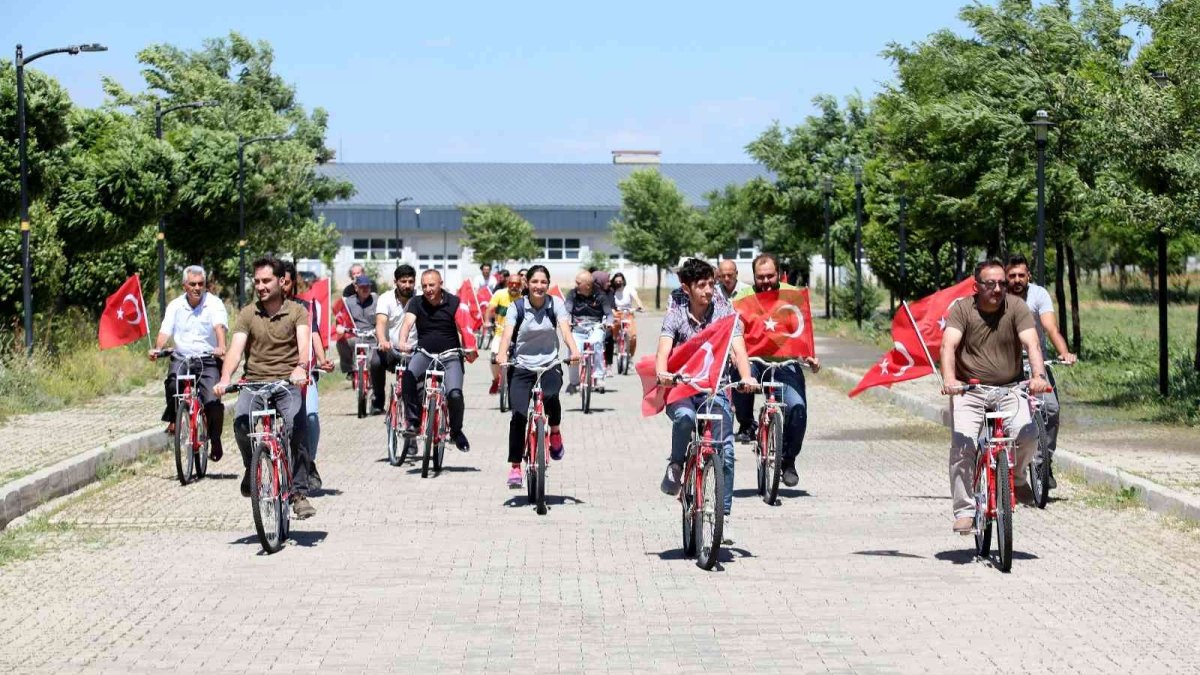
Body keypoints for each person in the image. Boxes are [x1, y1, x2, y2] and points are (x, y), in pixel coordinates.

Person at [941, 259, 1051, 534]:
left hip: (1010, 388)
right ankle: (965, 510)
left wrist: (1038, 376)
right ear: (977, 286)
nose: (998, 288)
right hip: (969, 390)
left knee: (1028, 435)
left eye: (1002, 283)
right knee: (963, 445)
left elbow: (1032, 342)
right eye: (991, 284)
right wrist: (950, 380)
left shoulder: (1016, 307)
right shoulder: (962, 309)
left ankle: (1014, 477)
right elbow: (948, 345)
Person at [656, 258, 756, 543]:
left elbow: (739, 348)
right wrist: (663, 373)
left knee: (726, 450)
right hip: (682, 387)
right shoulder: (676, 313)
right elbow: (664, 349)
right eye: (702, 285)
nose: (709, 290)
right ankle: (676, 464)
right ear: (687, 289)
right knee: (685, 418)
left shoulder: (725, 311)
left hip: (715, 389)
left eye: (711, 284)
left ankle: (720, 517)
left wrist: (746, 376)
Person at [215, 257, 316, 519]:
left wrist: (301, 367)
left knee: (296, 425)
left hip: (286, 382)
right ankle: (252, 467)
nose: (260, 286)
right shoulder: (248, 313)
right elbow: (235, 350)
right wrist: (226, 377)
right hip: (255, 382)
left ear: (282, 281)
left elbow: (304, 345)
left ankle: (299, 493)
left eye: (266, 280)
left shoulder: (297, 312)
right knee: (240, 422)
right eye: (257, 281)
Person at [731, 254, 821, 488]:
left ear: (779, 273)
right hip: (754, 360)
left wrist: (809, 354)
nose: (766, 281)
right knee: (739, 377)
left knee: (797, 408)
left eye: (770, 276)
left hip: (784, 363)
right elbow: (735, 330)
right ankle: (747, 423)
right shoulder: (743, 297)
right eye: (760, 277)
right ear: (754, 277)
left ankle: (788, 460)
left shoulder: (792, 296)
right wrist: (734, 353)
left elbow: (801, 331)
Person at [495, 265, 582, 488]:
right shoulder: (517, 307)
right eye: (535, 282)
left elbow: (565, 331)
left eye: (544, 282)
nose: (539, 286)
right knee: (519, 416)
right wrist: (502, 353)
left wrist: (573, 351)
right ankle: (515, 466)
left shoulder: (556, 305)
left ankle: (554, 431)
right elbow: (506, 335)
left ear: (548, 284)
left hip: (549, 364)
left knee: (551, 394)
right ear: (528, 284)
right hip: (522, 366)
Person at [1006, 254, 1077, 490]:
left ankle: (1043, 463)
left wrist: (1064, 352)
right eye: (1012, 275)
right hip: (1007, 365)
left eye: (1021, 275)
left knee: (1050, 408)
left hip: (1037, 363)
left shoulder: (1039, 294)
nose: (1017, 280)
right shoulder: (999, 297)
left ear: (1029, 276)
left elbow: (1050, 327)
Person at [150, 265, 228, 461]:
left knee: (212, 401)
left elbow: (219, 327)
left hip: (207, 359)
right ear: (184, 285)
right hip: (182, 357)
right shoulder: (175, 305)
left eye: (201, 284)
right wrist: (159, 349)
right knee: (171, 382)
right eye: (192, 284)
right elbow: (165, 331)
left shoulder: (214, 303)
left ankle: (215, 437)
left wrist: (221, 347)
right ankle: (175, 418)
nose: (197, 288)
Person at [396, 270, 478, 451]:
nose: (428, 289)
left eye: (431, 285)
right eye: (424, 286)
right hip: (425, 353)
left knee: (455, 394)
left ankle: (457, 432)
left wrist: (470, 348)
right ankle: (413, 421)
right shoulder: (416, 302)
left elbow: (464, 327)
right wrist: (402, 341)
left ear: (440, 283)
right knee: (408, 376)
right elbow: (407, 324)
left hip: (450, 356)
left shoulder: (454, 302)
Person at [281, 261, 335, 490]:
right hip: (275, 375)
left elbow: (314, 335)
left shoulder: (303, 307)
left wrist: (321, 360)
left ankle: (308, 461)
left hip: (304, 374)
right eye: (278, 280)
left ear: (293, 283)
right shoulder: (261, 309)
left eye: (286, 281)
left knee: (310, 416)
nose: (281, 285)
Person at [564, 269, 614, 395]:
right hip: (577, 327)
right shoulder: (572, 294)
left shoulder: (601, 296)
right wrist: (567, 320)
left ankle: (598, 378)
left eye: (578, 282)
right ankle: (574, 382)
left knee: (597, 343)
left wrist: (609, 322)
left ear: (587, 285)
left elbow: (608, 313)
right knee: (573, 351)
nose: (575, 285)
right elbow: (567, 310)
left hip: (595, 327)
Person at [376, 265, 419, 403]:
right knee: (375, 362)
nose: (407, 285)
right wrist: (382, 340)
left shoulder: (420, 298)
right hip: (391, 350)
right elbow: (381, 322)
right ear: (395, 282)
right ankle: (378, 400)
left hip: (414, 350)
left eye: (411, 282)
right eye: (403, 281)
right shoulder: (385, 298)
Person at [336, 275, 380, 399]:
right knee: (341, 342)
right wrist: (340, 327)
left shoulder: (377, 301)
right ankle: (349, 369)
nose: (365, 289)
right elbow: (340, 317)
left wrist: (379, 330)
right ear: (356, 287)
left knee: (374, 362)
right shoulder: (348, 302)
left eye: (367, 287)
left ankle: (374, 388)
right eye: (362, 287)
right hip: (355, 336)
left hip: (372, 337)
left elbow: (383, 318)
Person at [485, 274, 525, 395]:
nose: (513, 286)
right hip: (500, 332)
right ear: (507, 283)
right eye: (511, 283)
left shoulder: (524, 298)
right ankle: (496, 379)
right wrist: (487, 321)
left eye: (517, 284)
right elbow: (490, 309)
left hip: (518, 335)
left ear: (521, 285)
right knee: (493, 358)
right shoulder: (500, 294)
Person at [610, 272, 644, 357]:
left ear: (623, 281)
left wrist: (640, 306)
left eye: (620, 281)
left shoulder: (629, 289)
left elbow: (637, 299)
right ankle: (614, 343)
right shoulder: (612, 291)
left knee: (633, 336)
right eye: (616, 281)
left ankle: (630, 356)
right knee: (612, 329)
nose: (618, 283)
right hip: (616, 313)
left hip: (628, 313)